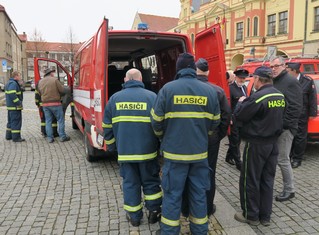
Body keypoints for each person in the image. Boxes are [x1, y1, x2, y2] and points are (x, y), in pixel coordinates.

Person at [151, 53, 220, 235]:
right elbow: (215, 122)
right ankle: (199, 230)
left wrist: (162, 137)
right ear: (194, 69)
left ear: (179, 69)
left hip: (174, 156)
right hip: (199, 155)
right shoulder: (210, 91)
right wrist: (202, 136)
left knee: (173, 195)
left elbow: (156, 121)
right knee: (198, 195)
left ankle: (169, 231)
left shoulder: (167, 89)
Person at [102, 68, 162, 227]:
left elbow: (106, 126)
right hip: (148, 152)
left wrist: (112, 147)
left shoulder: (114, 99)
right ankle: (154, 212)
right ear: (141, 79)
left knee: (130, 183)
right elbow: (159, 125)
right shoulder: (152, 97)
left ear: (125, 79)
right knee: (151, 182)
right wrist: (159, 146)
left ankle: (135, 217)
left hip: (125, 153)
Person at [233, 66, 286, 226]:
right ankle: (265, 216)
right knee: (267, 180)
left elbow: (239, 115)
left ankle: (251, 215)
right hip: (272, 144)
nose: (252, 82)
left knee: (250, 179)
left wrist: (241, 103)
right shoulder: (280, 95)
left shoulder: (258, 97)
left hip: (256, 144)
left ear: (258, 79)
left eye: (253, 78)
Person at [181, 58, 231, 217]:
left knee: (186, 172)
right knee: (209, 173)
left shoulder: (183, 89)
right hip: (210, 140)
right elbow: (226, 117)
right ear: (208, 72)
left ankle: (186, 207)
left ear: (194, 70)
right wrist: (217, 135)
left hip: (188, 140)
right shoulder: (217, 90)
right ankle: (207, 208)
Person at [270, 56, 302, 202]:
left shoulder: (291, 82)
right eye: (271, 67)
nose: (273, 69)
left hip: (285, 129)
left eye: (276, 66)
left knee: (283, 159)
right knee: (275, 158)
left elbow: (295, 108)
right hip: (274, 128)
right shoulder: (274, 81)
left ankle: (290, 190)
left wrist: (283, 125)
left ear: (284, 66)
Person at [286, 62, 317, 168]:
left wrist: (312, 113)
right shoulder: (287, 81)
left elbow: (312, 98)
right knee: (289, 135)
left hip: (302, 113)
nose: (286, 72)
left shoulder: (307, 81)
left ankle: (297, 158)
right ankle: (288, 155)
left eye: (288, 70)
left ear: (294, 71)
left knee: (300, 136)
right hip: (289, 113)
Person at [37, 68, 70, 143]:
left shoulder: (40, 82)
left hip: (45, 104)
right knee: (60, 120)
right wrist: (68, 90)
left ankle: (50, 138)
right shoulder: (54, 80)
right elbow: (61, 90)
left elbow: (39, 92)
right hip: (55, 103)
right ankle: (62, 136)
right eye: (53, 73)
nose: (53, 74)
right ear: (51, 73)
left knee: (48, 121)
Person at [225, 68, 249, 170]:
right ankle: (239, 163)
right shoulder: (230, 88)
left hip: (242, 118)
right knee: (235, 141)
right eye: (240, 78)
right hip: (233, 119)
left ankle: (229, 156)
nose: (242, 80)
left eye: (244, 78)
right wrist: (229, 117)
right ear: (235, 77)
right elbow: (227, 104)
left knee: (237, 141)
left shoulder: (244, 88)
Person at [5, 71, 25, 142]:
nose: (20, 77)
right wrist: (18, 102)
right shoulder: (13, 83)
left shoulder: (10, 83)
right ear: (16, 76)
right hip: (15, 107)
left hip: (11, 107)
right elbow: (12, 94)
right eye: (19, 75)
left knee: (10, 122)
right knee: (16, 122)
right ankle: (16, 138)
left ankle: (9, 136)